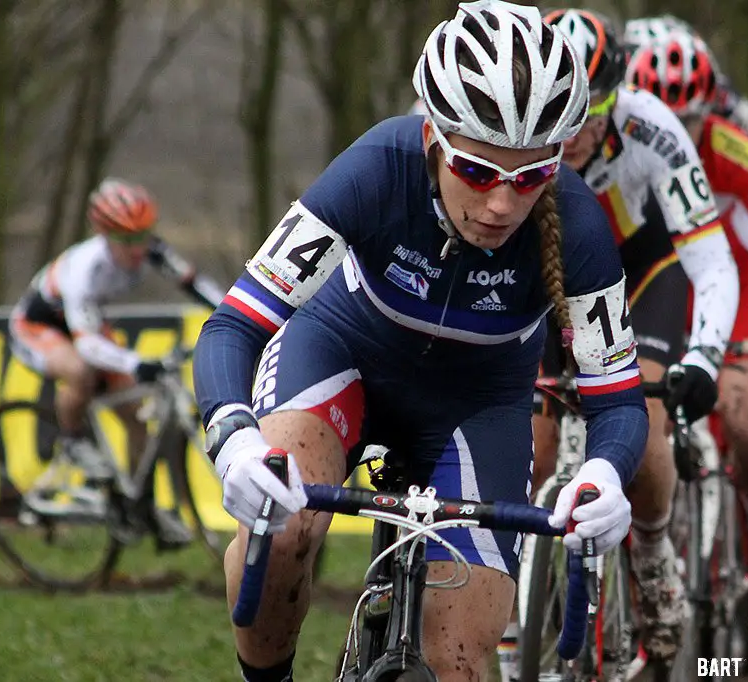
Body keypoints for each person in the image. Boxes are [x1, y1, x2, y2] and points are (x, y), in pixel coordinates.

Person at [192, 3, 648, 681]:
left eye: (528, 177)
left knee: (460, 662)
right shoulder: (377, 166)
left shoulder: (577, 224)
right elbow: (235, 323)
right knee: (283, 532)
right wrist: (233, 438)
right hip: (342, 360)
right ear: (434, 136)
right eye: (480, 171)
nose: (502, 204)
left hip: (478, 407)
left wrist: (605, 473)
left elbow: (617, 399)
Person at [544, 8, 740, 664]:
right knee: (532, 448)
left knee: (646, 412)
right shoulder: (517, 125)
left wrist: (706, 355)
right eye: (560, 118)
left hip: (643, 273)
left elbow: (711, 260)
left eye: (591, 115)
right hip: (553, 280)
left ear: (617, 98)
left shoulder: (652, 128)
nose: (573, 135)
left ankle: (654, 555)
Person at [627, 25, 748, 603]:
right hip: (664, 286)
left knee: (741, 411)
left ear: (711, 111)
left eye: (690, 123)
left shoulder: (733, 148)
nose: (677, 136)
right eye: (664, 118)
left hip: (740, 285)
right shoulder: (625, 147)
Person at [8, 177, 225, 548]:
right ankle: (72, 441)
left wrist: (232, 316)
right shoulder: (84, 268)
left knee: (135, 413)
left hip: (86, 324)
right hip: (37, 325)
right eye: (127, 240)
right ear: (106, 235)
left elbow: (195, 283)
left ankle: (136, 503)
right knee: (79, 371)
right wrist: (134, 361)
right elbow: (88, 345)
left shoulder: (152, 250)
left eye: (143, 235)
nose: (138, 248)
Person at [623, 15, 748, 141]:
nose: (674, 138)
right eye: (657, 123)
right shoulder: (621, 87)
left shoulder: (730, 105)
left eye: (686, 123)